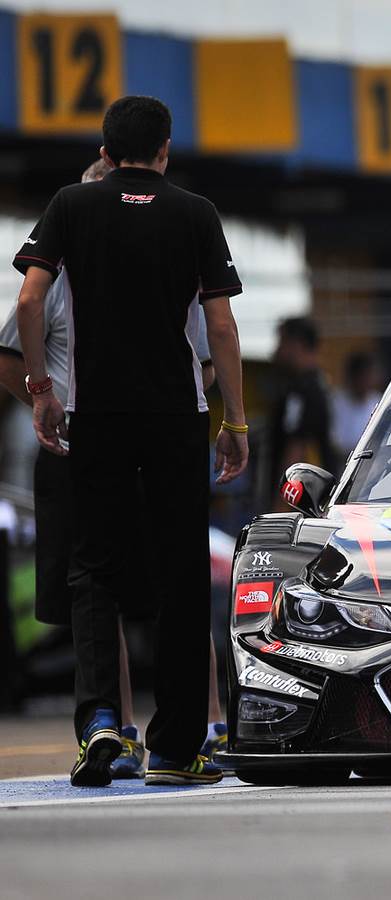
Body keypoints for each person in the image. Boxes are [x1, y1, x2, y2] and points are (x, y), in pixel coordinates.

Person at [13, 95, 248, 787]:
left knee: (94, 567)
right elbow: (224, 328)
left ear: (107, 151)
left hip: (97, 415)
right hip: (176, 416)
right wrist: (233, 420)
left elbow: (28, 301)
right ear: (166, 150)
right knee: (180, 572)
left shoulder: (69, 205)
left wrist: (42, 390)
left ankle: (100, 723)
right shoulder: (195, 212)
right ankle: (177, 749)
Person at [263, 317, 335, 498]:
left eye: (282, 342)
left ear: (296, 344)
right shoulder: (316, 384)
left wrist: (282, 501)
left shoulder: (303, 391)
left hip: (302, 501)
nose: (277, 350)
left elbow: (297, 446)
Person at [331, 352, 382, 464]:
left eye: (370, 376)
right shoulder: (337, 402)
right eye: (364, 376)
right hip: (341, 464)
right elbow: (337, 443)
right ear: (353, 377)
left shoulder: (378, 402)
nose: (368, 381)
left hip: (370, 463)